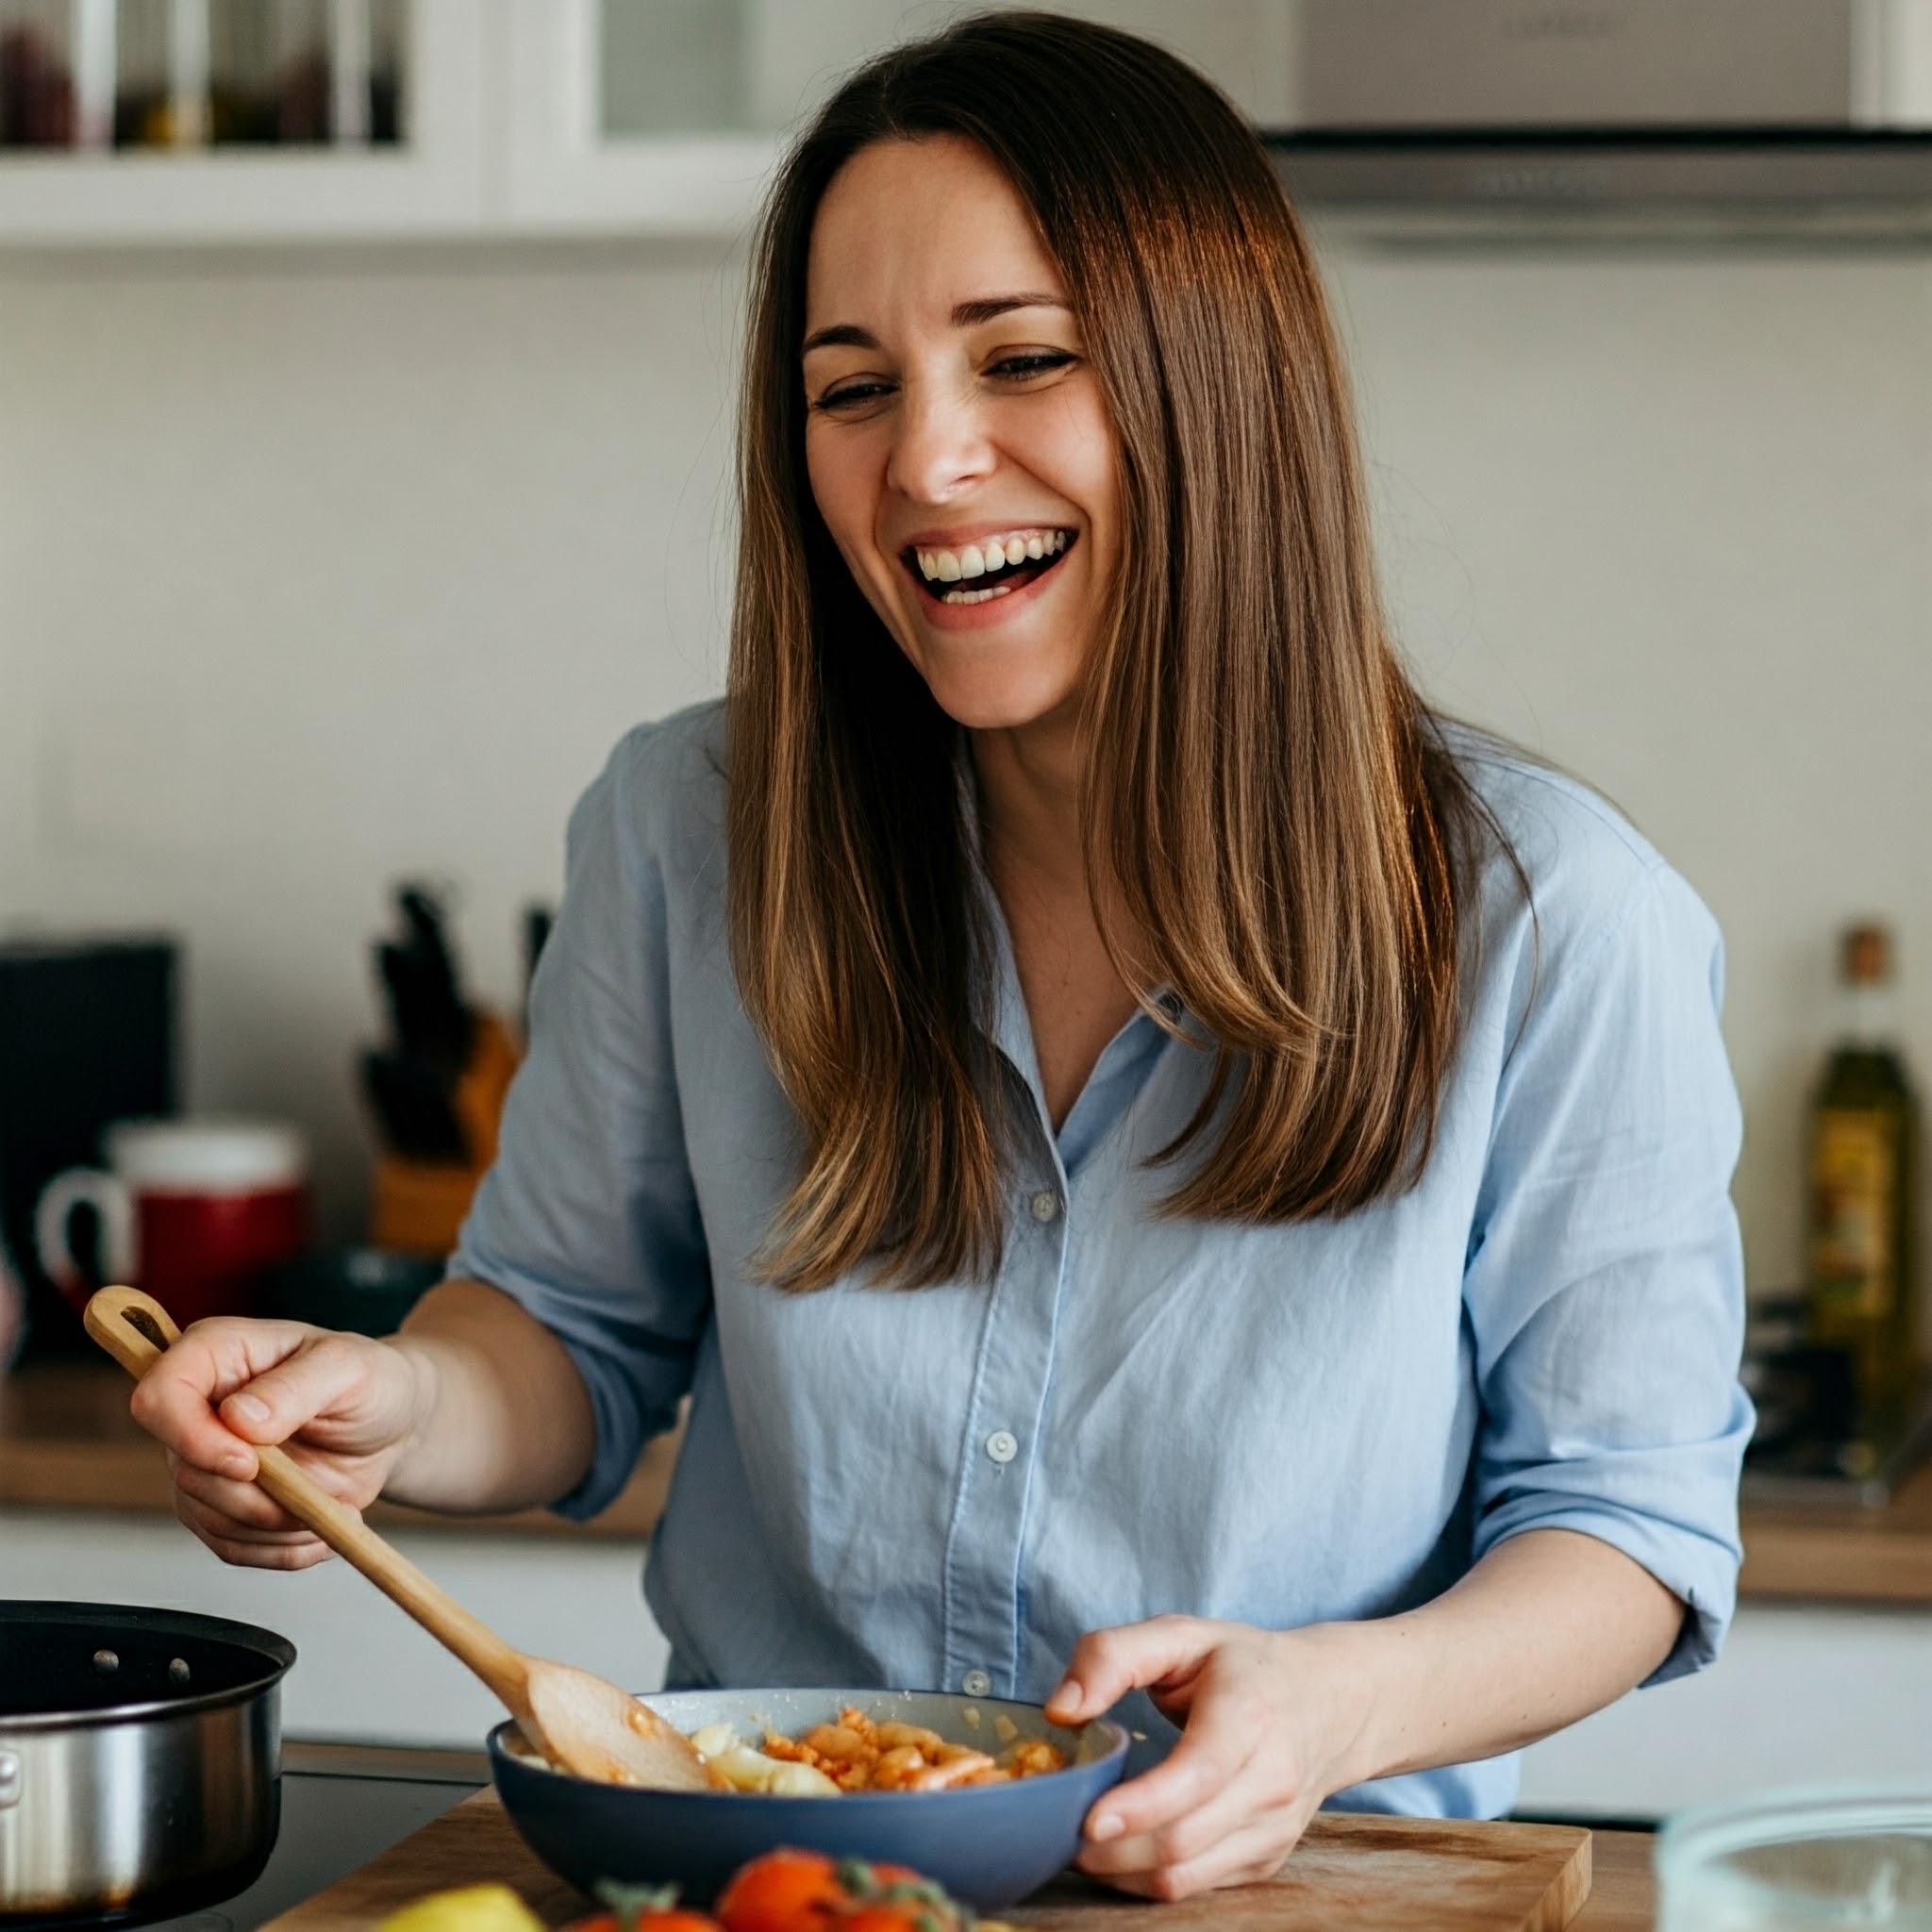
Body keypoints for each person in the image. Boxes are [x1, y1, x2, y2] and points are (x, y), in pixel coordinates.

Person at [129, 13, 1752, 1901]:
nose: (929, 461)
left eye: (1023, 360)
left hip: (1282, 1888)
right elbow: (560, 1330)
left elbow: (1623, 1533)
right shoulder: (686, 827)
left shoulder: (1554, 919)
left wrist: (1334, 1703)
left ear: (1219, 387)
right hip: (754, 1887)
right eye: (850, 389)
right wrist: (392, 1407)